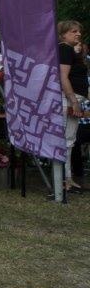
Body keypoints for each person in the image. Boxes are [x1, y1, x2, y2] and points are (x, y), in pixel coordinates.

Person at [58, 20, 88, 192]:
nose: (78, 34)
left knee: (69, 139)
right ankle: (63, 179)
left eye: (79, 31)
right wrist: (74, 101)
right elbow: (63, 77)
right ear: (63, 34)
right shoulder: (64, 49)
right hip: (68, 99)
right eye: (73, 31)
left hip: (73, 99)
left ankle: (67, 178)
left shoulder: (69, 50)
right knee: (66, 139)